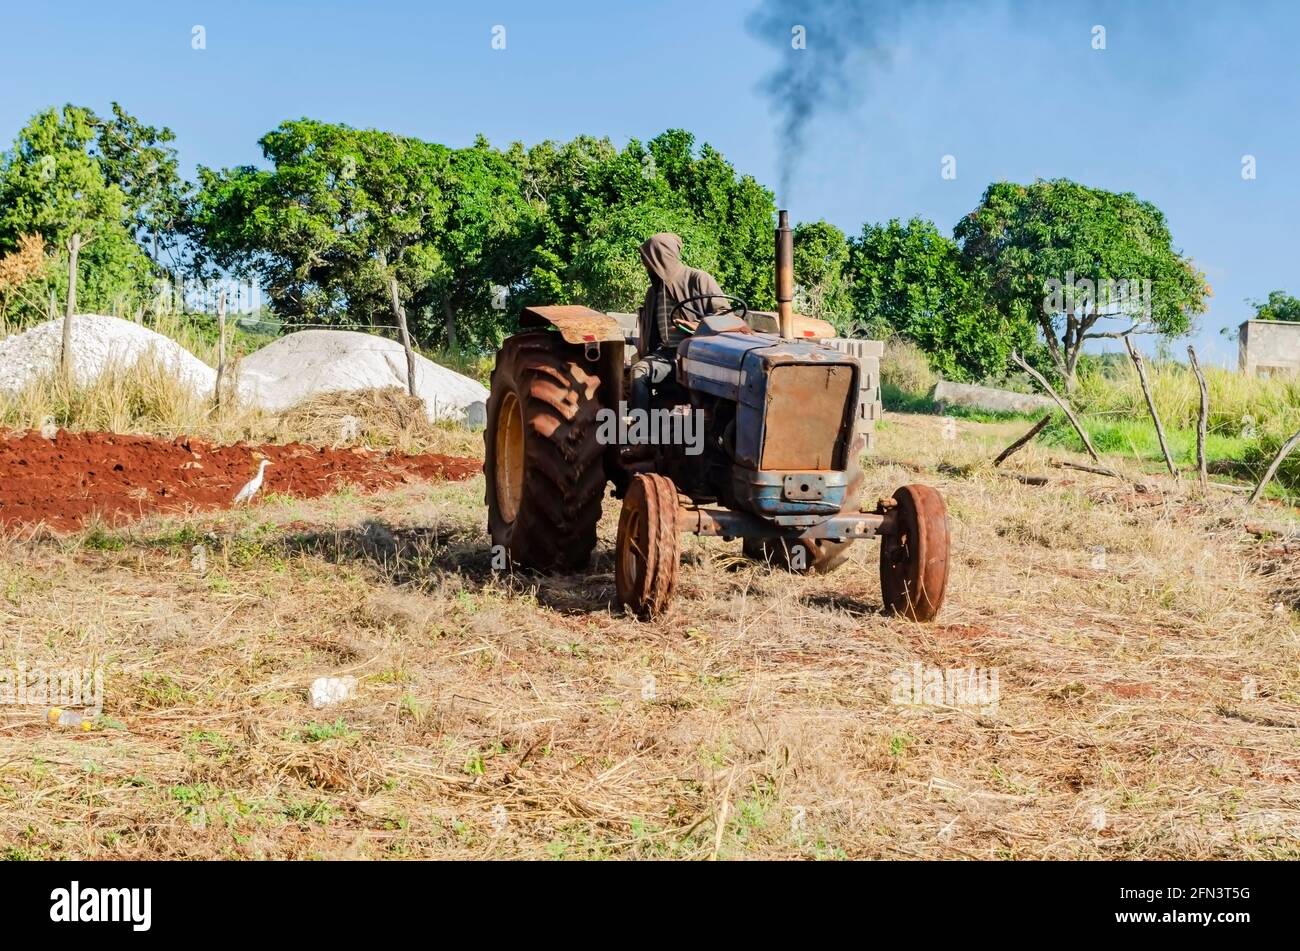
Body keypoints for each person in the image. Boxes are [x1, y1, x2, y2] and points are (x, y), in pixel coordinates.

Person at [631, 232, 729, 413]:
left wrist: (700, 325)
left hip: (698, 354)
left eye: (647, 258)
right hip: (667, 354)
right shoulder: (653, 292)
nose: (645, 265)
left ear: (661, 256)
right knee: (639, 372)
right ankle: (640, 429)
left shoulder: (699, 279)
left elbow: (725, 313)